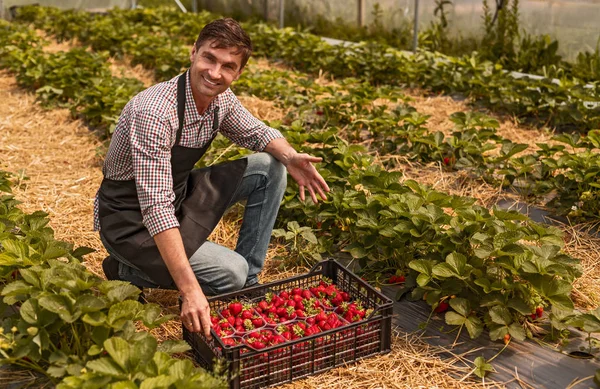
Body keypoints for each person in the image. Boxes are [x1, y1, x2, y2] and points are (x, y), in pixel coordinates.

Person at [93, 18, 329, 338]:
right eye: (209, 58)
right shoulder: (155, 112)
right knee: (229, 272)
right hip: (130, 219)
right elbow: (156, 208)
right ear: (193, 53)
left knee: (270, 167)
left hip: (175, 196)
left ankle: (248, 285)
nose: (215, 73)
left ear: (239, 72)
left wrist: (290, 157)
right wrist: (190, 290)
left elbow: (258, 132)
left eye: (228, 66)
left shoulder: (221, 101)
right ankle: (125, 269)